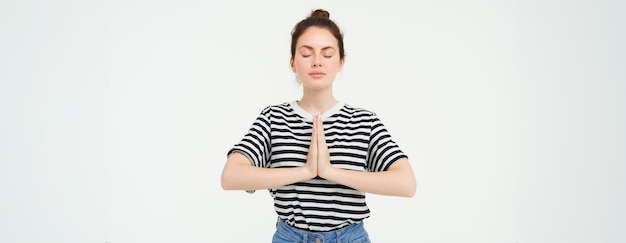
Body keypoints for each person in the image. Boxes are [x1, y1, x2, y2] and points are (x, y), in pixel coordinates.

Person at [221, 8, 416, 243]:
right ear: (293, 63)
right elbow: (231, 176)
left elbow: (406, 183)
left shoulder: (365, 121)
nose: (316, 62)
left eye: (327, 53)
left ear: (341, 62)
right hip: (289, 237)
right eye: (306, 54)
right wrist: (304, 171)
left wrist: (330, 172)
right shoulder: (273, 118)